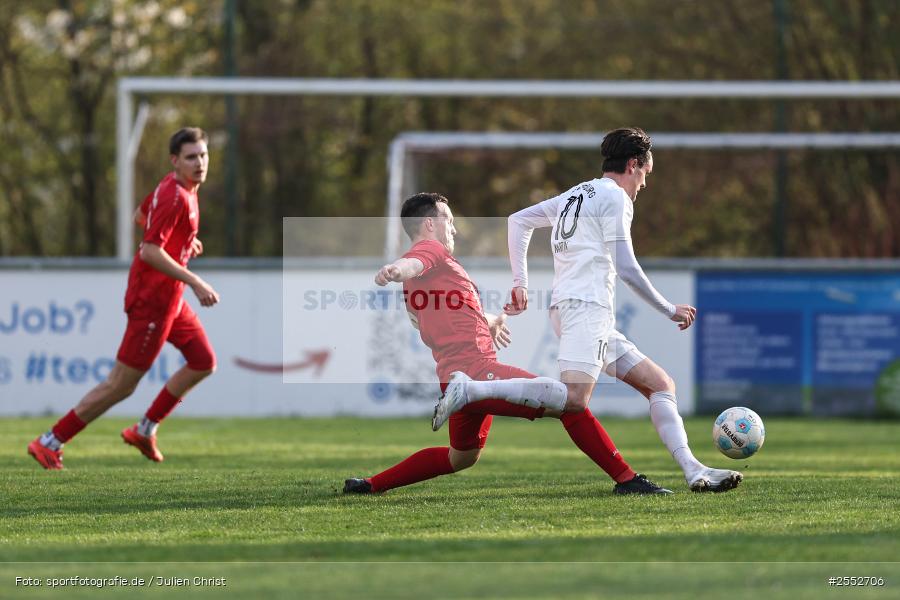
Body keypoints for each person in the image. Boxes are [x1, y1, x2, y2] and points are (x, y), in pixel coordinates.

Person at [343, 192, 671, 495]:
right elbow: (412, 262)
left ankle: (370, 485)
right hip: (477, 370)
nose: (453, 229)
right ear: (430, 223)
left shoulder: (423, 281)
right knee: (571, 404)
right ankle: (627, 479)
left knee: (461, 458)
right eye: (449, 220)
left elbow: (436, 316)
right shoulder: (432, 252)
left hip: (453, 376)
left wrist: (490, 320)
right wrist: (394, 270)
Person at [503, 127, 742, 493]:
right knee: (574, 400)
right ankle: (471, 390)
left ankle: (694, 470)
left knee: (661, 384)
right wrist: (668, 309)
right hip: (586, 310)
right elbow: (626, 266)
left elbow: (517, 220)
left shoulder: (576, 193)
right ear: (633, 165)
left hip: (575, 310)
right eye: (646, 173)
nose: (645, 183)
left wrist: (521, 281)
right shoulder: (615, 196)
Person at [27, 127, 220, 470]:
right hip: (153, 302)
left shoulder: (182, 190)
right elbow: (148, 251)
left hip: (170, 301)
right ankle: (50, 441)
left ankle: (144, 430)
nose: (200, 162)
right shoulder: (176, 195)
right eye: (191, 157)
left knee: (203, 360)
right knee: (120, 385)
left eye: (203, 155)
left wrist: (182, 244)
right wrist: (195, 281)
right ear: (175, 161)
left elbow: (141, 218)